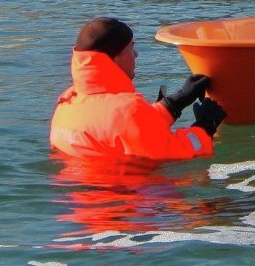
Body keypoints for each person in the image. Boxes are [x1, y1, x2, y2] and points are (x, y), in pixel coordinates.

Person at [50, 16, 226, 162]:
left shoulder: (67, 103)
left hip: (79, 200)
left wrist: (175, 102)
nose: (136, 55)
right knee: (221, 203)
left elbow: (128, 128)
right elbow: (177, 153)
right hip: (134, 199)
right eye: (131, 48)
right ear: (115, 57)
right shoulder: (127, 111)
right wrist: (205, 126)